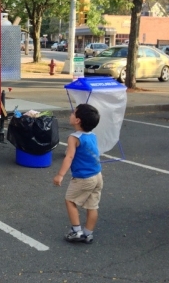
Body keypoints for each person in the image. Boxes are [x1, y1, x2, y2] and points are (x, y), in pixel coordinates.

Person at [53, 103, 102, 244]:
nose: (71, 114)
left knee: (70, 200)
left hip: (83, 178)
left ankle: (76, 231)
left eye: (73, 113)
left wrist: (60, 175)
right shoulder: (92, 135)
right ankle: (88, 234)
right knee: (92, 206)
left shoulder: (74, 138)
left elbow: (69, 157)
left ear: (78, 120)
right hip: (97, 176)